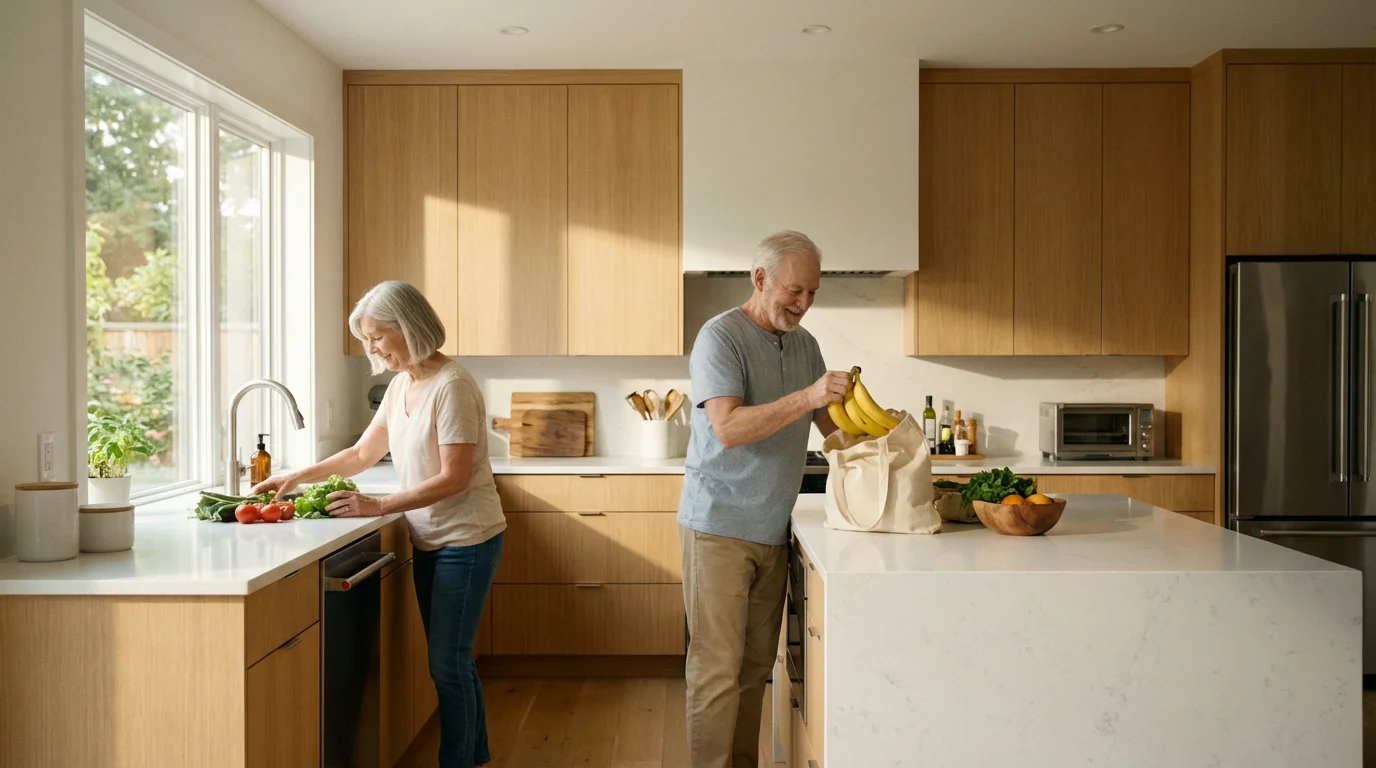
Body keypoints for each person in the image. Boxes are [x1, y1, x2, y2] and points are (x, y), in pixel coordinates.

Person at [253, 280, 505, 768]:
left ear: (408, 328)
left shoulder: (451, 386)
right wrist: (296, 474)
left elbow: (453, 478)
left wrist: (378, 506)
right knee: (453, 661)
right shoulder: (402, 384)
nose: (371, 349)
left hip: (467, 540)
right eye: (366, 339)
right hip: (432, 537)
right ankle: (475, 756)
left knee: (447, 664)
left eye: (376, 337)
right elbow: (362, 453)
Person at [678, 230, 850, 768]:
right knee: (716, 672)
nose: (803, 304)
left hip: (774, 527)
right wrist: (808, 395)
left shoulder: (805, 346)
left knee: (755, 670)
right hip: (719, 528)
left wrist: (885, 441)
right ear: (760, 279)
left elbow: (831, 426)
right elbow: (727, 427)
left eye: (812, 294)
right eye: (794, 292)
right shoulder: (720, 337)